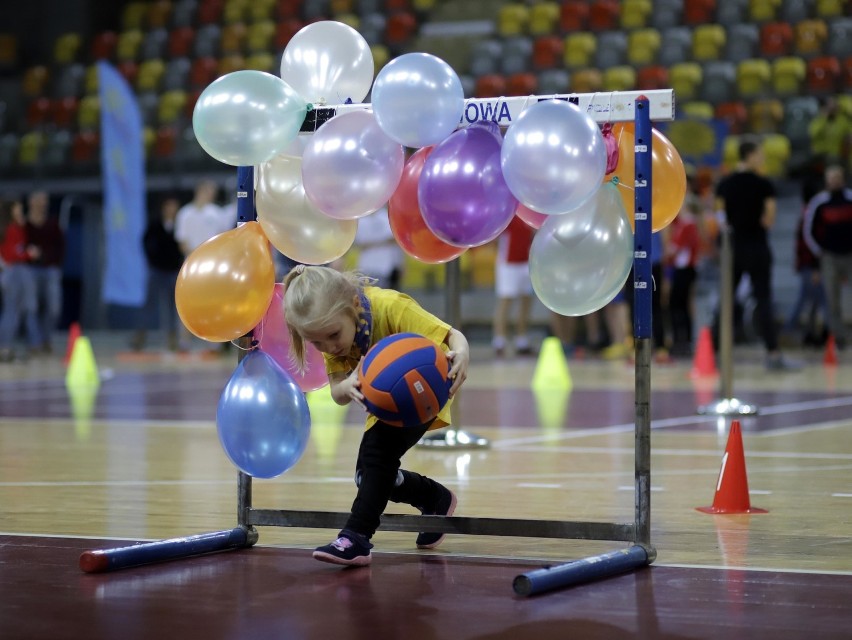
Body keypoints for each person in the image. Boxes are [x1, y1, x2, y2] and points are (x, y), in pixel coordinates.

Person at [281, 265, 469, 567]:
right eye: (317, 343)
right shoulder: (330, 328)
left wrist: (462, 353)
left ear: (354, 304)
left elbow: (452, 335)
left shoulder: (391, 307)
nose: (329, 346)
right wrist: (348, 382)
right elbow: (337, 394)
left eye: (332, 336)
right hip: (382, 404)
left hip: (422, 391)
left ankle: (356, 537)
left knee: (377, 456)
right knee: (367, 476)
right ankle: (434, 498)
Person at [715, 138, 797, 370]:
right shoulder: (764, 185)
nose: (762, 158)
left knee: (727, 300)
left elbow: (720, 218)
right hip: (757, 246)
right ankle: (772, 353)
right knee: (763, 299)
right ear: (750, 155)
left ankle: (714, 350)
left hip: (733, 248)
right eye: (759, 154)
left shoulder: (725, 184)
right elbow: (769, 220)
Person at [803, 164, 852, 350]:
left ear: (843, 179)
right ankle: (839, 339)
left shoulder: (850, 198)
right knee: (832, 300)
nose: (834, 181)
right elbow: (809, 231)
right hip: (829, 256)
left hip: (850, 254)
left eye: (837, 177)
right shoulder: (819, 202)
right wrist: (819, 253)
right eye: (830, 178)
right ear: (826, 181)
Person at [130, 195, 185, 351]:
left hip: (173, 271)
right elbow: (146, 242)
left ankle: (172, 339)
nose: (172, 210)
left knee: (173, 307)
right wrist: (152, 260)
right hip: (156, 271)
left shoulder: (179, 225)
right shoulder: (155, 225)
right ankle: (139, 337)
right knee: (148, 305)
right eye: (169, 206)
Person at [0, 199, 40, 362]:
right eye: (18, 209)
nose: (20, 211)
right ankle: (4, 347)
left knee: (21, 311)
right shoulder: (9, 228)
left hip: (15, 272)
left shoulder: (16, 227)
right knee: (12, 312)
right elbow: (12, 255)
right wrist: (29, 254)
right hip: (13, 272)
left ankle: (14, 346)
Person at [25, 190, 64, 353]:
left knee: (54, 307)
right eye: (38, 200)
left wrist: (53, 261)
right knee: (30, 307)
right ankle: (35, 343)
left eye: (44, 201)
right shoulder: (24, 224)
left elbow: (61, 247)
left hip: (50, 269)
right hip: (29, 269)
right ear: (31, 202)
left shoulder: (53, 223)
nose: (42, 204)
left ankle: (46, 339)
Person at [491, 216, 534, 357]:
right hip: (508, 263)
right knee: (506, 300)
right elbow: (495, 236)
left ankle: (521, 339)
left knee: (526, 300)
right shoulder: (508, 212)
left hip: (526, 261)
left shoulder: (531, 212)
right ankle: (499, 340)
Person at [665, 195, 702, 357]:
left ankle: (682, 341)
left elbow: (675, 248)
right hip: (683, 269)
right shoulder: (685, 224)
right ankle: (682, 340)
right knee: (679, 305)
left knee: (677, 305)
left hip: (684, 270)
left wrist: (666, 256)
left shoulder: (687, 224)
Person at [353, 205, 404, 290]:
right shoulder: (361, 219)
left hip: (383, 266)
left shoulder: (385, 217)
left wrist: (399, 264)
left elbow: (393, 239)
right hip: (366, 267)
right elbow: (358, 244)